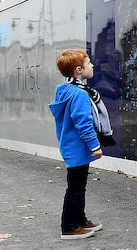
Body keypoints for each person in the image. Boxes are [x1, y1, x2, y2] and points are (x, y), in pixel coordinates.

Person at [48, 49, 103, 240]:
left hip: (71, 146)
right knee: (75, 188)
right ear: (79, 70)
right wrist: (95, 146)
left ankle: (80, 219)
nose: (92, 66)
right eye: (89, 64)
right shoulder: (79, 94)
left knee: (79, 186)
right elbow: (83, 123)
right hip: (78, 148)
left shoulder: (65, 90)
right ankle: (69, 226)